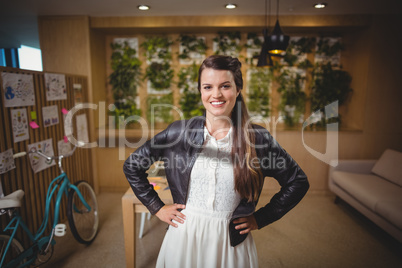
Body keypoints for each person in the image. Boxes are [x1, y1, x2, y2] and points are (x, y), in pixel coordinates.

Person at [123, 55, 309, 267]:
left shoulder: (258, 139)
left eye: (225, 86)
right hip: (184, 237)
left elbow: (298, 181)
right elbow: (132, 165)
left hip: (230, 243)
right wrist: (157, 207)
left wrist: (260, 218)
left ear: (238, 89)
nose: (216, 94)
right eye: (208, 87)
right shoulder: (178, 132)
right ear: (201, 91)